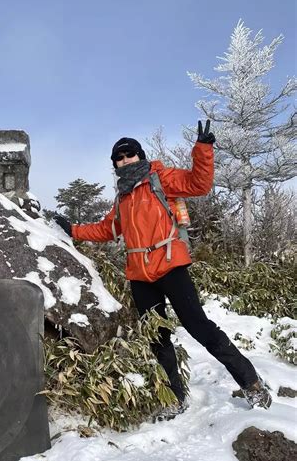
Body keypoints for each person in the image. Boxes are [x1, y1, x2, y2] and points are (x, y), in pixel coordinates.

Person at [54, 121, 271, 419]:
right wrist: (73, 229)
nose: (124, 160)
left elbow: (199, 183)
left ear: (140, 156)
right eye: (119, 157)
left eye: (129, 154)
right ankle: (175, 398)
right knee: (158, 339)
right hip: (141, 277)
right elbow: (107, 229)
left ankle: (251, 382)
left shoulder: (161, 178)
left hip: (171, 266)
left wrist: (203, 150)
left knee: (200, 327)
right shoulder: (123, 197)